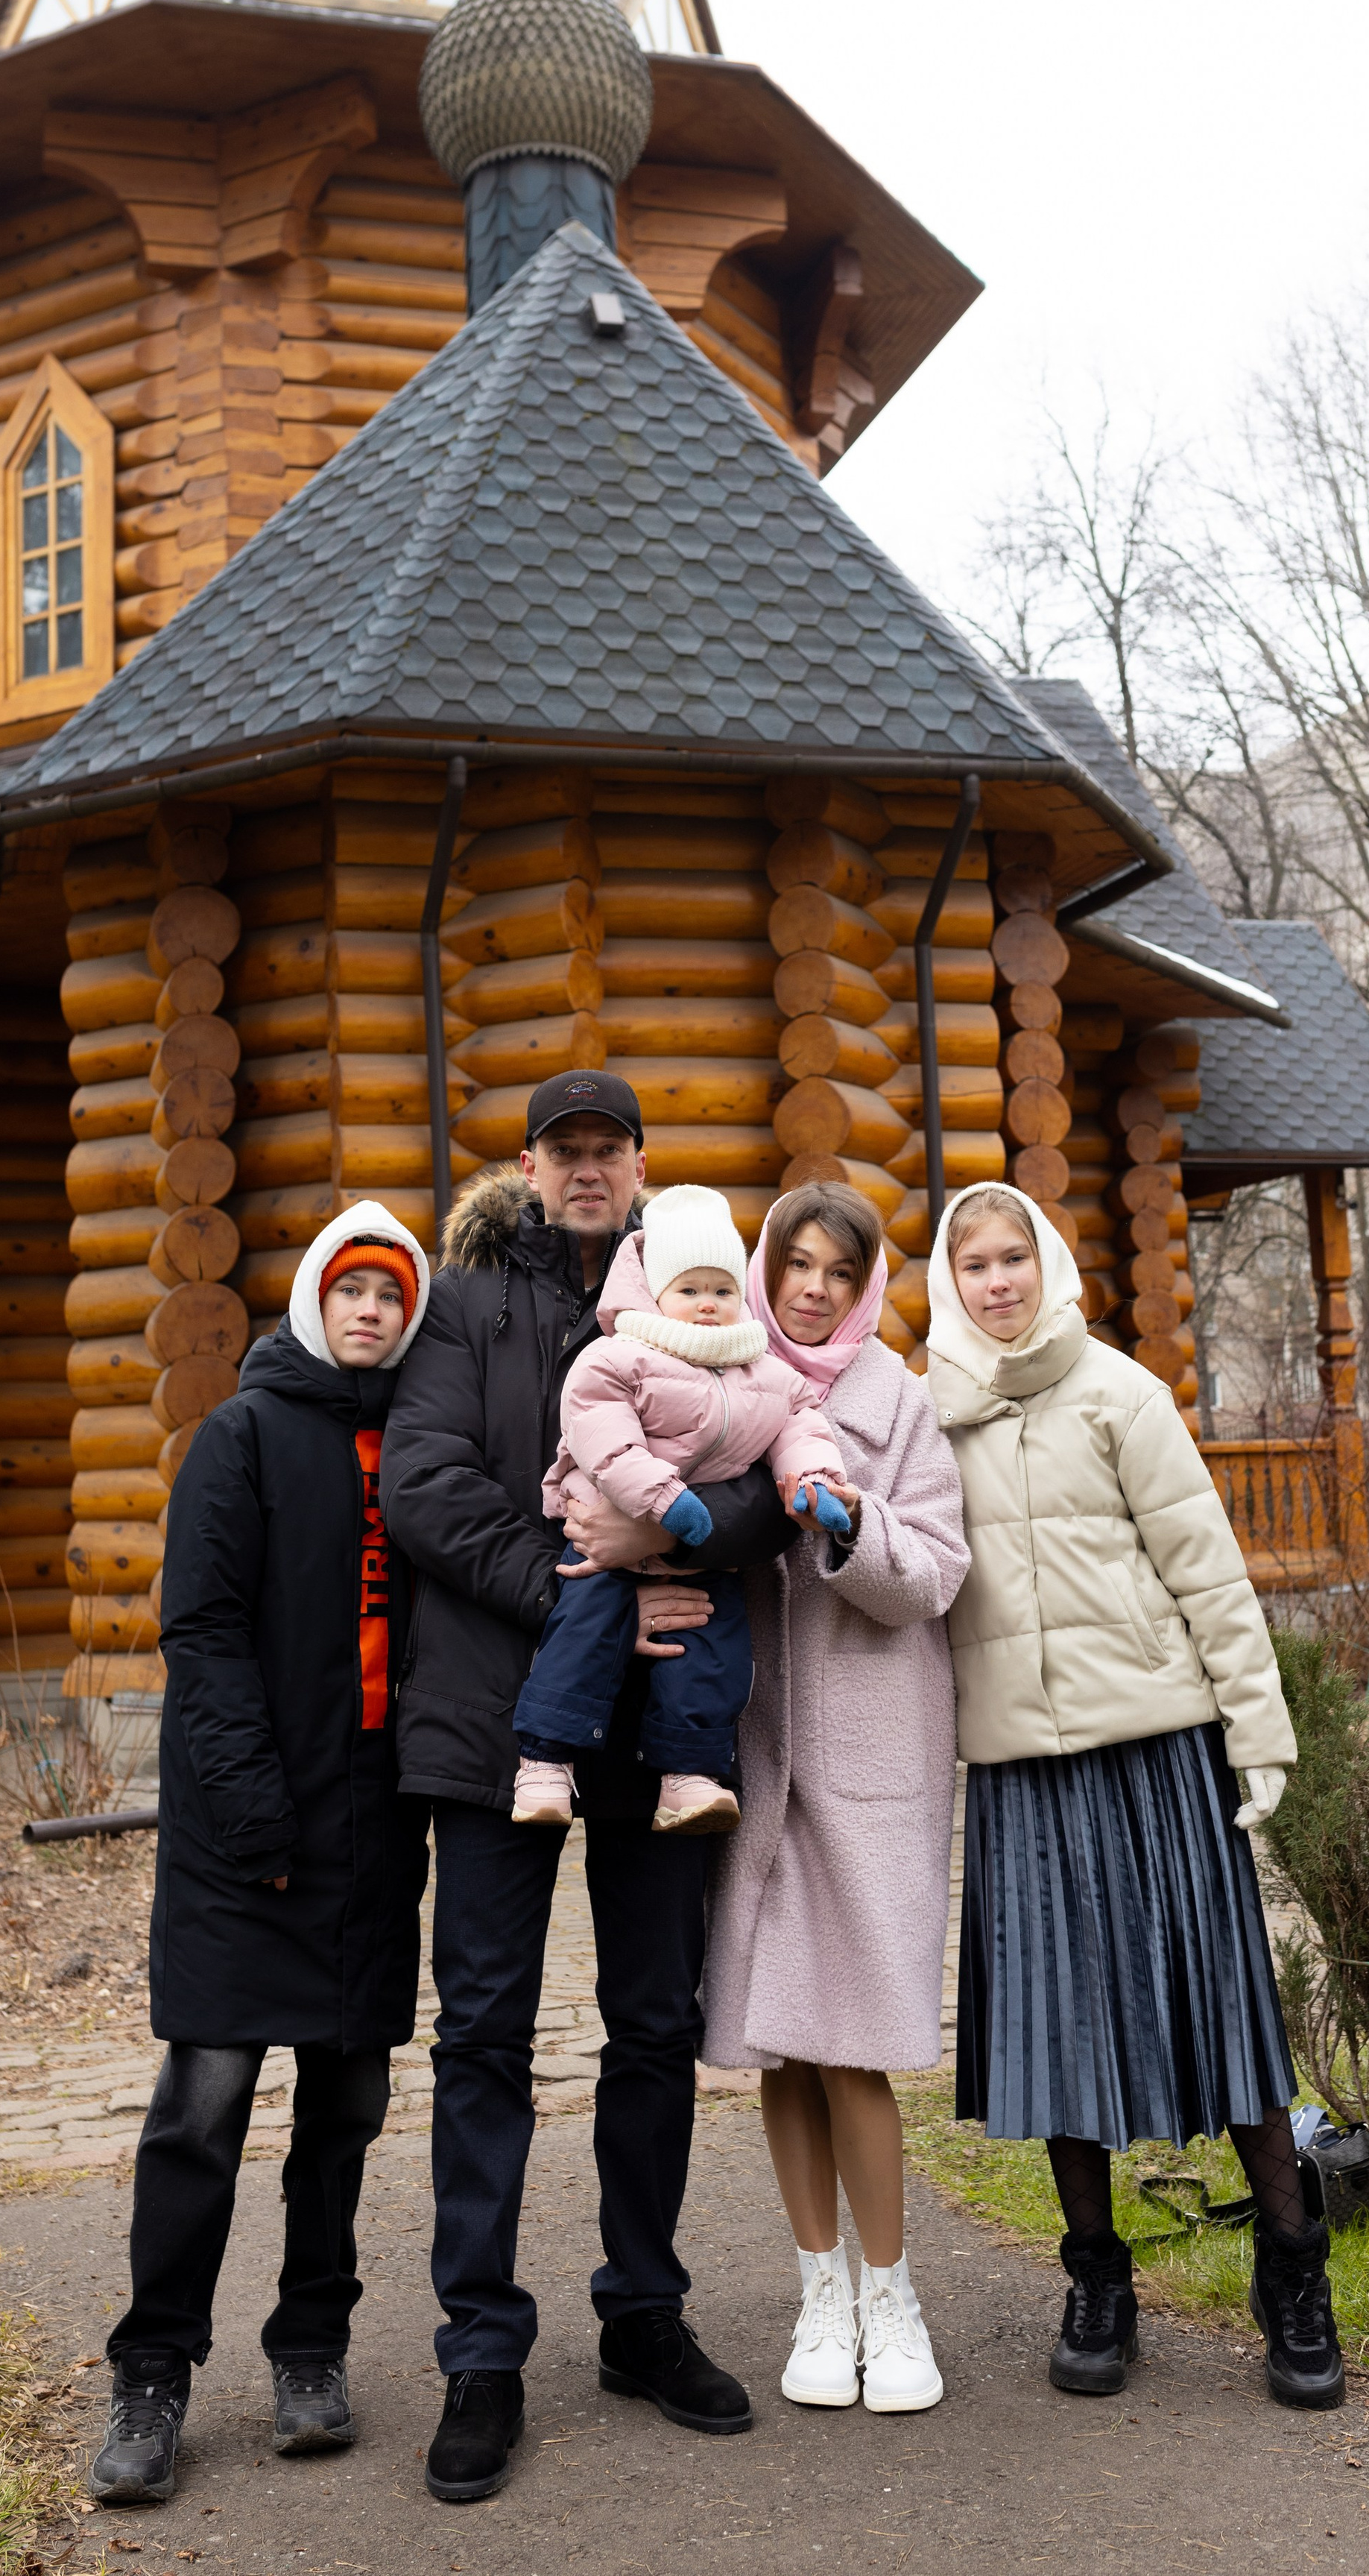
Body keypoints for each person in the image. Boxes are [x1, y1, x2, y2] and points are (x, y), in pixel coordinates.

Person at [380, 1073, 795, 2504]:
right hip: (493, 1726)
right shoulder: (461, 1306)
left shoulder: (698, 1308)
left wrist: (674, 1560)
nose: (587, 1172)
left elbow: (765, 1473)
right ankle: (480, 2351)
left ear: (637, 1168)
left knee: (654, 2023)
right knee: (485, 2033)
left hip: (658, 1737)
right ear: (532, 1166)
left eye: (609, 1151)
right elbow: (423, 1486)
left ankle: (644, 2313)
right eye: (566, 1152)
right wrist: (587, 1592)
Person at [928, 1181, 1343, 2411]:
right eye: (975, 1265)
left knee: (1220, 2010)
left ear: (1045, 1264)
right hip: (1020, 1771)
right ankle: (1097, 2278)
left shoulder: (1119, 1392)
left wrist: (1255, 1727)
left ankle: (1293, 2269)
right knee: (1058, 2025)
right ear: (950, 1285)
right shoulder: (929, 1415)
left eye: (1013, 1258)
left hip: (1156, 1750)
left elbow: (1207, 1569)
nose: (997, 1281)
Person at [88, 1203, 433, 2507]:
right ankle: (153, 2372)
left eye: (391, 1297)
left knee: (343, 2113)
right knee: (204, 2109)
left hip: (372, 1827)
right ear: (313, 1302)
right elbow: (204, 1637)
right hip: (247, 1834)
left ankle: (312, 2350)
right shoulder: (239, 1437)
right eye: (350, 1291)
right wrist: (252, 1813)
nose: (369, 1313)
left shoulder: (418, 1443)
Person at [698, 1183, 970, 2415]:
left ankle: (891, 2296)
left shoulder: (896, 1401)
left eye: (835, 1271)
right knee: (781, 2043)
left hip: (872, 1756)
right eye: (795, 1265)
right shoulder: (730, 1388)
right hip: (758, 1753)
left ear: (866, 1284)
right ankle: (819, 2291)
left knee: (856, 2047)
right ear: (768, 1269)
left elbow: (937, 1575)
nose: (811, 1287)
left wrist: (854, 1522)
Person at [516, 1182, 850, 1836]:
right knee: (582, 1631)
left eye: (722, 1291)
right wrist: (661, 1499)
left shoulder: (762, 1370)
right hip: (608, 1530)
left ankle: (689, 1776)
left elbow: (800, 1423)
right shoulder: (621, 1356)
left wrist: (811, 1480)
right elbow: (599, 1430)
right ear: (654, 1294)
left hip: (699, 1549)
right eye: (690, 1289)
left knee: (711, 1648)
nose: (707, 1306)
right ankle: (545, 1762)